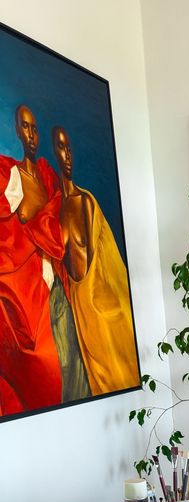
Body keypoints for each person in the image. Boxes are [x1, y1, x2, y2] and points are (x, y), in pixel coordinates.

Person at [51, 125, 139, 396]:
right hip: (77, 306)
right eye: (61, 148)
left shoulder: (85, 201)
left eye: (69, 148)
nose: (67, 155)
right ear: (54, 152)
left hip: (99, 307)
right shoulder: (54, 208)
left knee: (118, 378)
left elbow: (95, 261)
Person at [0, 104, 65, 414]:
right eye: (25, 127)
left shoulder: (47, 179)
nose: (31, 134)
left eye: (35, 128)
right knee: (40, 360)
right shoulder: (9, 174)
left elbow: (54, 223)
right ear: (16, 130)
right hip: (24, 278)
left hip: (50, 277)